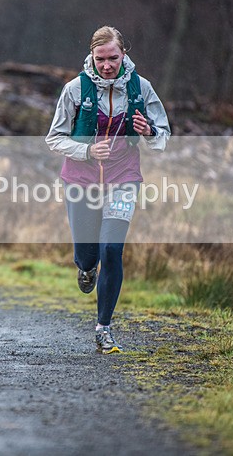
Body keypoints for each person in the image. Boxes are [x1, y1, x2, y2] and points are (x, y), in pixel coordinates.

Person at [45, 26, 170, 354]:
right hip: (81, 181)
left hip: (123, 177)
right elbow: (54, 138)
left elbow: (162, 139)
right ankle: (86, 269)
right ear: (92, 57)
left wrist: (149, 130)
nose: (107, 65)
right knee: (88, 256)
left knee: (111, 249)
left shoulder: (141, 88)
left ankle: (104, 329)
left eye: (113, 58)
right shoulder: (75, 89)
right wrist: (86, 151)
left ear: (123, 55)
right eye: (100, 59)